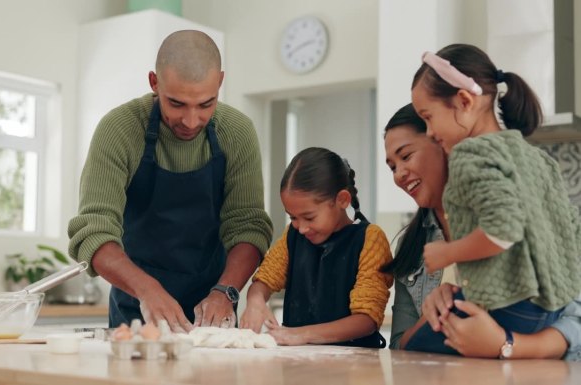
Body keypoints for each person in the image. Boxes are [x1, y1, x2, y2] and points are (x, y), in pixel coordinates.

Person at [68, 30, 273, 332]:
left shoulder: (237, 132)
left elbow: (249, 227)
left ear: (220, 82)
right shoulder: (119, 130)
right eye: (176, 104)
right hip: (136, 305)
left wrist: (226, 291)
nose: (191, 121)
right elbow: (94, 232)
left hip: (214, 307)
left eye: (206, 104)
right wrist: (147, 290)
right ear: (154, 82)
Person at [407, 43, 580, 351]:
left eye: (428, 117)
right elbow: (570, 230)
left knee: (412, 350)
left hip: (508, 305)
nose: (430, 132)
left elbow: (503, 230)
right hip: (551, 308)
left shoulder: (469, 154)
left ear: (463, 101)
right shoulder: (536, 158)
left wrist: (448, 253)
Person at [239, 147, 393, 347]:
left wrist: (302, 335)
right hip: (297, 364)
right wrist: (256, 300)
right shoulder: (292, 236)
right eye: (293, 217)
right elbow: (264, 281)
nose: (301, 228)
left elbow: (366, 320)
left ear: (342, 200)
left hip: (354, 368)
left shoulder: (369, 239)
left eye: (310, 217)